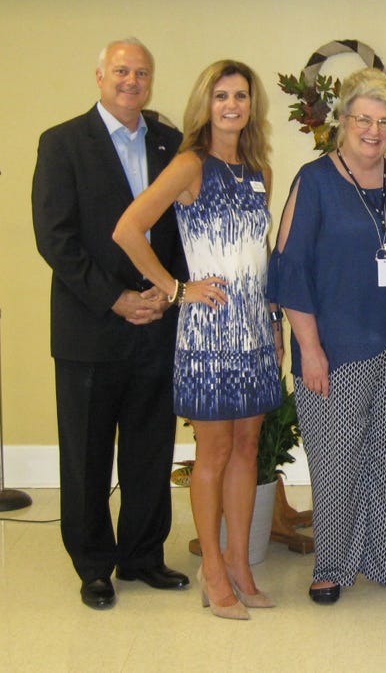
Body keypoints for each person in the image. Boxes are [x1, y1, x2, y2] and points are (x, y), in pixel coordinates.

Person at [113, 59, 282, 620]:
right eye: (221, 95)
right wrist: (176, 288)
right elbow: (127, 229)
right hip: (209, 331)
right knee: (214, 452)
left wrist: (274, 321)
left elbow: (259, 253)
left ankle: (240, 563)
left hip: (255, 329)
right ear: (205, 104)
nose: (232, 105)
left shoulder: (259, 170)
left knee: (248, 447)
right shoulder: (190, 164)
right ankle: (212, 569)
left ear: (252, 106)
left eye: (241, 96)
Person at [31, 38, 190, 610]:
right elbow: (56, 239)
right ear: (100, 76)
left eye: (141, 72)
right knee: (87, 455)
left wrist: (169, 292)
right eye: (121, 71)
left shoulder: (171, 143)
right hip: (90, 328)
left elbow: (184, 231)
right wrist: (116, 298)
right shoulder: (62, 143)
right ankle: (94, 565)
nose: (131, 81)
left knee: (150, 449)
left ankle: (143, 556)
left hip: (157, 324)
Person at [267, 68, 386, 606]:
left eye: (385, 121)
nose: (374, 130)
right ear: (342, 120)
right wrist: (310, 349)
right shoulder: (315, 181)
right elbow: (289, 268)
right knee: (336, 461)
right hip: (334, 345)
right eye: (363, 118)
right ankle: (332, 564)